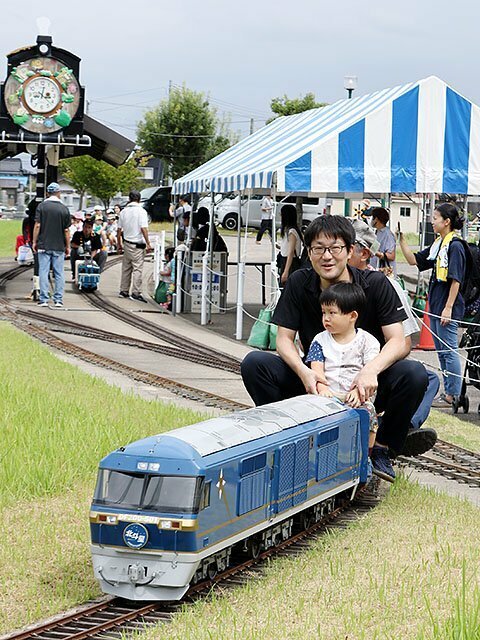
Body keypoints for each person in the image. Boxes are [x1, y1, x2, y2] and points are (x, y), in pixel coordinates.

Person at [241, 215, 430, 481]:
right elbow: (284, 339)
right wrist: (306, 374)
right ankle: (291, 439)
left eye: (335, 248)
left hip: (365, 387)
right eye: (318, 248)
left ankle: (381, 449)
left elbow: (400, 341)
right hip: (318, 383)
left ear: (350, 250)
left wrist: (370, 371)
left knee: (415, 374)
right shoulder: (298, 282)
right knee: (255, 364)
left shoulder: (375, 284)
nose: (327, 256)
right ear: (309, 252)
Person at [349, 218, 439, 453]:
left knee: (425, 378)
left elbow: (403, 341)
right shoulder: (325, 282)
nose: (332, 256)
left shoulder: (385, 285)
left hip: (377, 369)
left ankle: (400, 429)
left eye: (344, 248)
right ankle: (404, 429)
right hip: (342, 374)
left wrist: (375, 367)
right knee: (426, 378)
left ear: (363, 253)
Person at [306, 283, 382, 467]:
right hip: (327, 395)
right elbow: (316, 370)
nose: (326, 318)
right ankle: (317, 457)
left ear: (352, 316)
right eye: (324, 313)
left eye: (332, 313)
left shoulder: (368, 342)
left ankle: (366, 457)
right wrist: (322, 387)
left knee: (368, 414)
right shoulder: (319, 340)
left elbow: (369, 372)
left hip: (357, 395)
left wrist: (358, 392)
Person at [398, 203, 466, 409]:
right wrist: (401, 240)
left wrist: (448, 307)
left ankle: (453, 394)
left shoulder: (455, 246)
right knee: (442, 351)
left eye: (435, 217)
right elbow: (414, 261)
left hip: (447, 306)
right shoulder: (439, 245)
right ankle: (448, 392)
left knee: (449, 350)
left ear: (447, 222)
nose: (432, 221)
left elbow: (456, 279)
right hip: (436, 304)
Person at [32, 182, 71, 308]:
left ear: (47, 193)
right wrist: (68, 246)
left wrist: (34, 241)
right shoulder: (64, 209)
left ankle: (43, 299)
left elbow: (37, 225)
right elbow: (66, 230)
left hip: (44, 245)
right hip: (59, 246)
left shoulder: (42, 207)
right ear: (59, 193)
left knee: (43, 272)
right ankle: (58, 300)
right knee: (59, 273)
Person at [117, 190, 152, 302]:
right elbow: (144, 228)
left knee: (126, 268)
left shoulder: (123, 212)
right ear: (139, 199)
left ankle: (124, 290)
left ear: (129, 199)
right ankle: (136, 292)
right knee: (137, 269)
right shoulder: (141, 211)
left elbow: (119, 230)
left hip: (127, 243)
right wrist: (148, 243)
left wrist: (119, 244)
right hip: (137, 245)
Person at [276, 204, 303, 287]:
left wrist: (286, 271)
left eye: (281, 214)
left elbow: (291, 252)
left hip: (290, 263)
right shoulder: (288, 230)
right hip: (287, 260)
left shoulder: (292, 232)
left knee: (288, 288)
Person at [369, 207, 397, 274]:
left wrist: (374, 252)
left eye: (372, 217)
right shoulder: (376, 232)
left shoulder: (387, 234)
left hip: (385, 273)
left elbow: (391, 256)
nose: (371, 220)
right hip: (376, 271)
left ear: (376, 219)